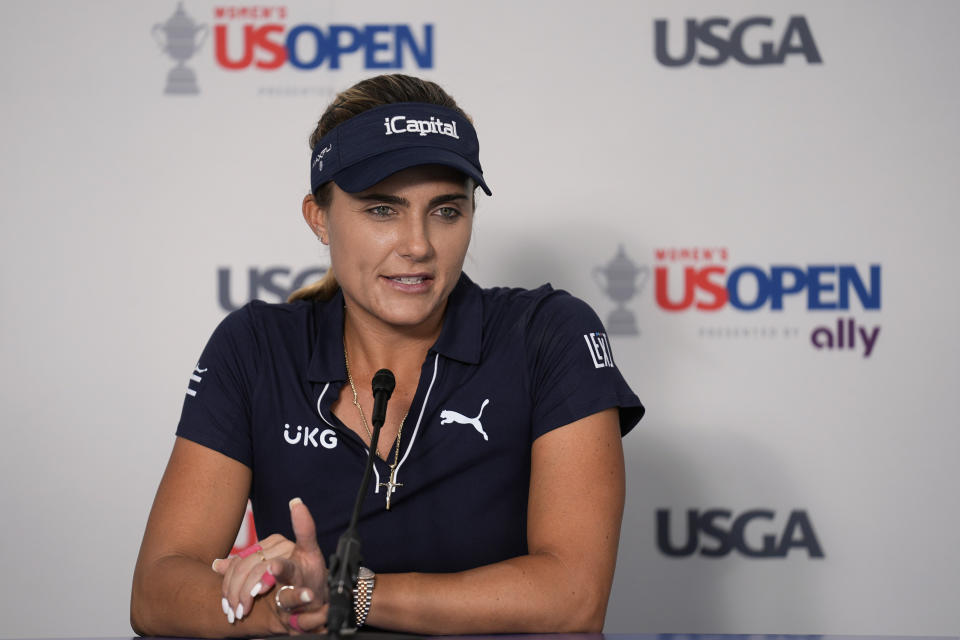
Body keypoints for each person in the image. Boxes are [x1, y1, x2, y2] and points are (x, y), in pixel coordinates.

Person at [131, 73, 643, 637]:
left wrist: (350, 594)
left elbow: (574, 596)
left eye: (447, 210)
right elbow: (157, 593)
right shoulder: (256, 346)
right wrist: (287, 608)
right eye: (382, 210)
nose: (419, 244)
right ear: (319, 218)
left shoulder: (549, 335)